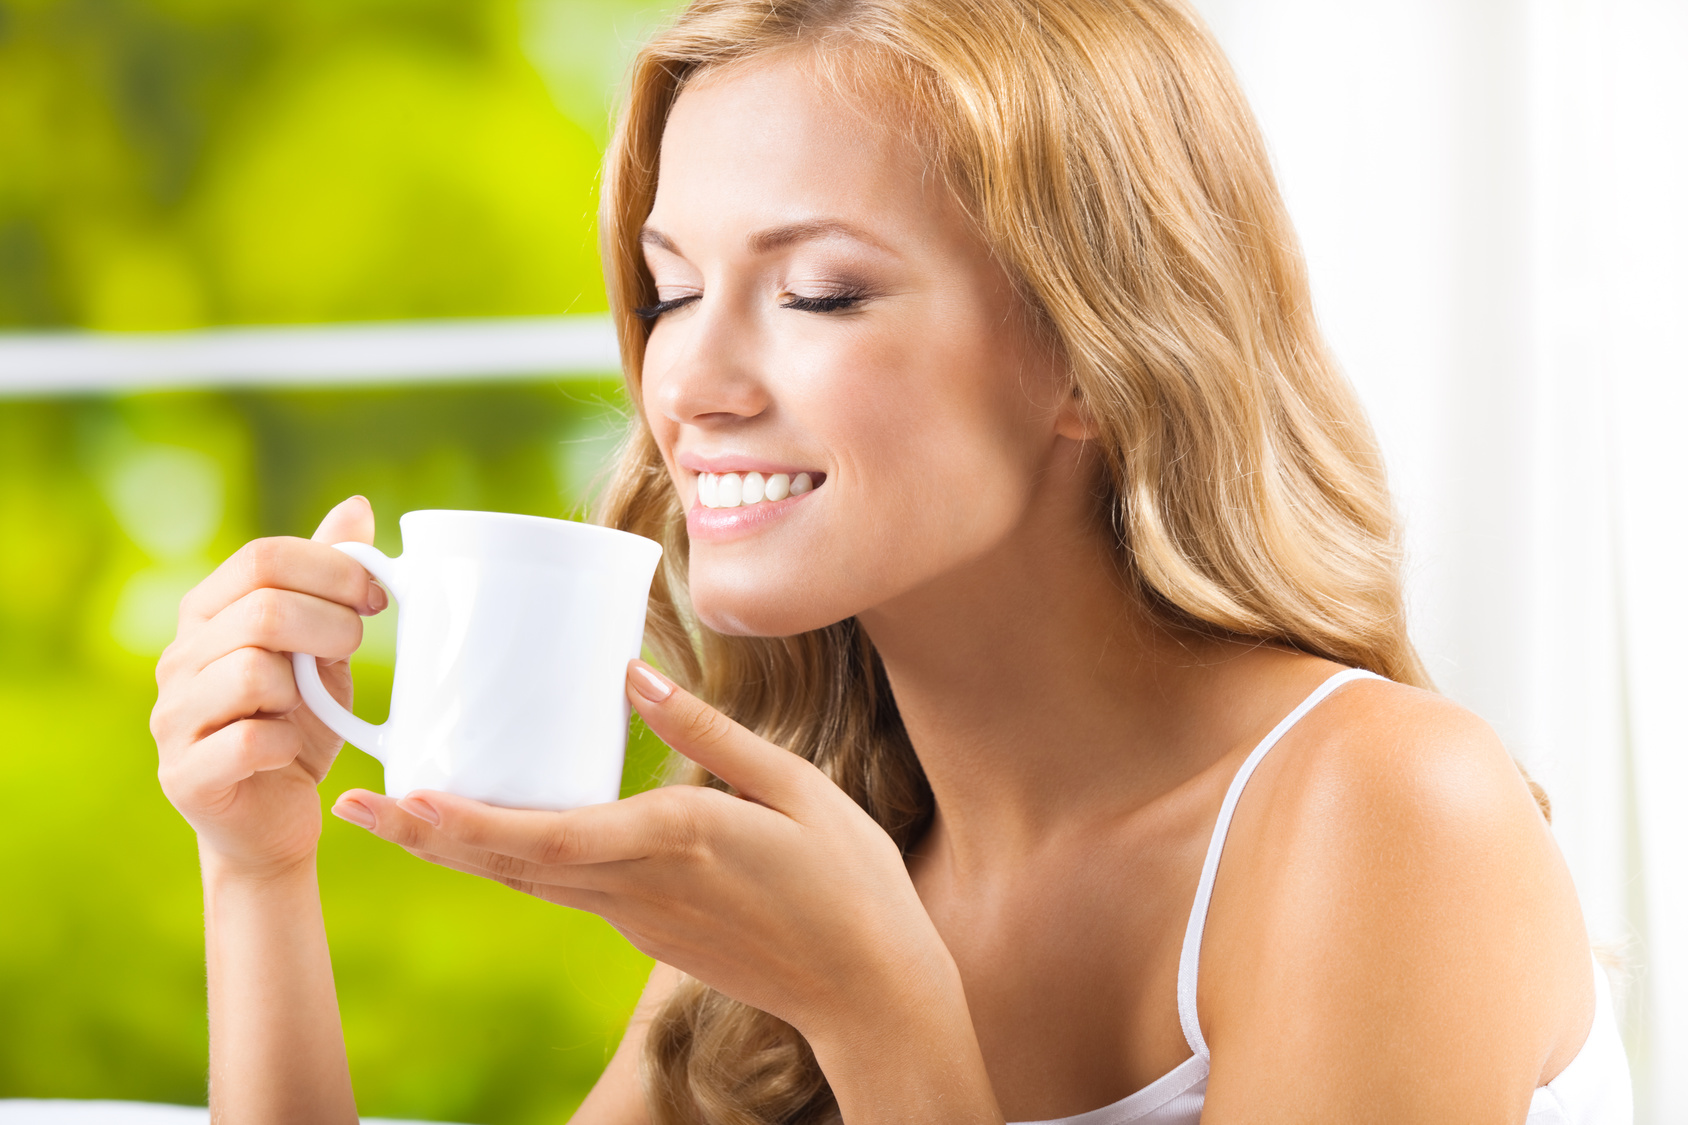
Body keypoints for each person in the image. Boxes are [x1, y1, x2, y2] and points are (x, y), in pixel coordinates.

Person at [149, 0, 1634, 1121]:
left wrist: (882, 1017)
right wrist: (260, 871)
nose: (691, 382)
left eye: (819, 290)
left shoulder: (1379, 807)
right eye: (670, 290)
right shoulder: (833, 851)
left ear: (1096, 356)